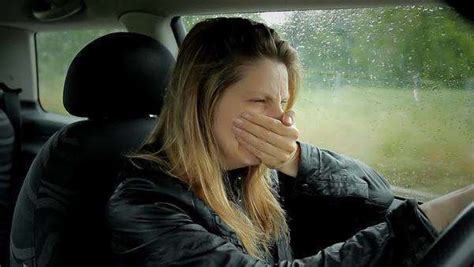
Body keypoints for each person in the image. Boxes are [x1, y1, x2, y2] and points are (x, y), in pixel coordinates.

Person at [106, 17, 474, 266]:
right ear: (200, 102)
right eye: (258, 101)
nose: (282, 120)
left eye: (282, 103)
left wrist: (295, 159)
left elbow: (376, 195)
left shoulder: (257, 173)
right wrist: (425, 223)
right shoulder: (144, 205)